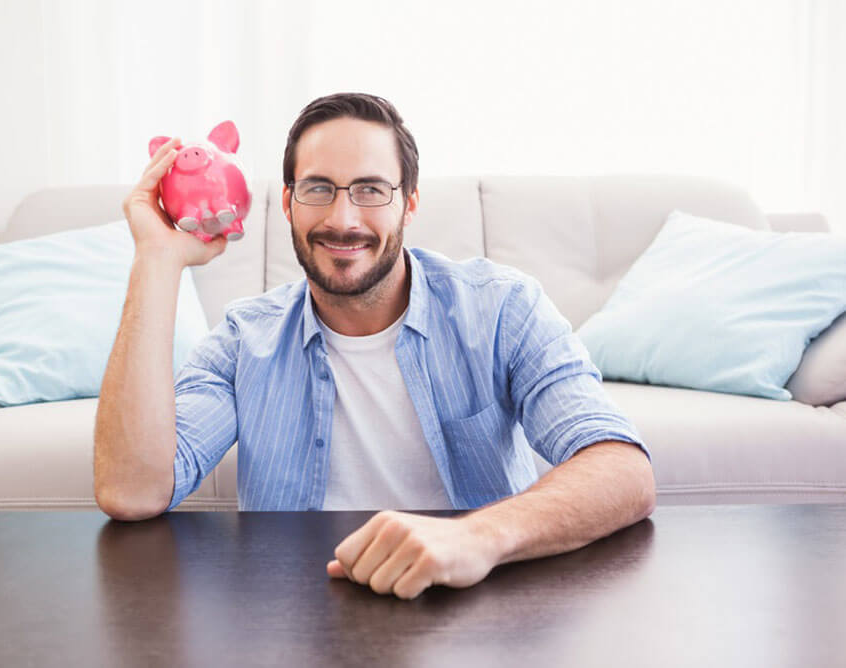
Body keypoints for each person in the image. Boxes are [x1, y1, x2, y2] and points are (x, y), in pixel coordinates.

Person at [94, 92, 656, 600]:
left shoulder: (502, 308)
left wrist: (477, 537)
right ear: (288, 203)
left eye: (370, 190)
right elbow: (132, 491)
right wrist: (156, 259)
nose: (343, 219)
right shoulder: (245, 339)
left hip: (479, 610)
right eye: (318, 189)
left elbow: (622, 468)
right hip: (296, 619)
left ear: (409, 203)